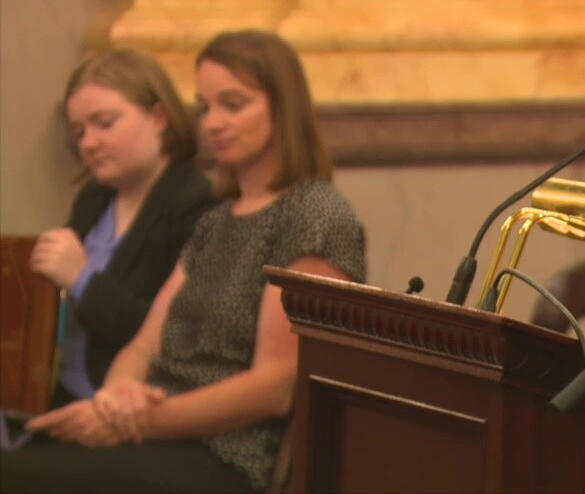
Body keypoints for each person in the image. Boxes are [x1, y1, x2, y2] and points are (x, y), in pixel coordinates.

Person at [2, 30, 367, 493]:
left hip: (224, 456)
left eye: (232, 105)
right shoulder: (216, 220)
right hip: (149, 436)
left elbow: (275, 386)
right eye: (205, 107)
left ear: (283, 107)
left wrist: (135, 423)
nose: (212, 123)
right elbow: (140, 347)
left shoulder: (314, 213)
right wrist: (117, 400)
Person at [28, 49, 214, 407]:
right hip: (57, 392)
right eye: (79, 131)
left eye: (105, 122)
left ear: (159, 117)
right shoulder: (94, 197)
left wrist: (81, 278)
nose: (88, 143)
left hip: (130, 405)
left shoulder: (197, 204)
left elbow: (174, 340)